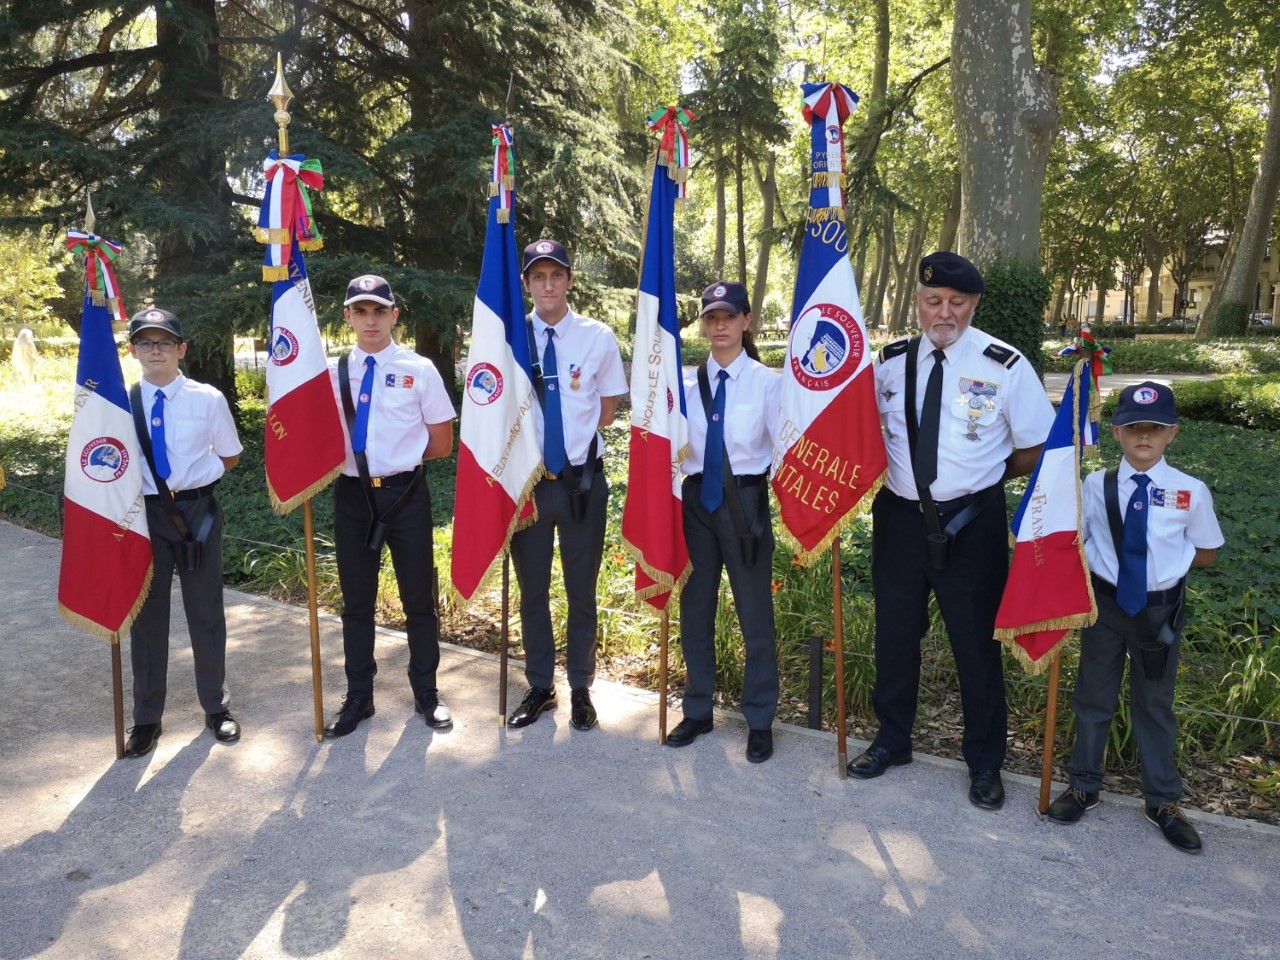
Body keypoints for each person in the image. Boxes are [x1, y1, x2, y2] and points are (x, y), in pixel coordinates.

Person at [849, 251, 1055, 809]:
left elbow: (1036, 446)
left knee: (975, 648)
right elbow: (860, 435)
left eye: (956, 303)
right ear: (918, 302)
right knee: (893, 638)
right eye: (933, 301)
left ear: (974, 304)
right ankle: (893, 740)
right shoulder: (888, 364)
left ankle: (985, 762)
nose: (944, 313)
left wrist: (986, 480)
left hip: (972, 525)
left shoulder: (1004, 366)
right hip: (900, 521)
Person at [1047, 382, 1223, 852]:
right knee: (1093, 696)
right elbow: (1071, 539)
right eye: (1133, 428)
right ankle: (1083, 784)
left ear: (1172, 434)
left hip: (1159, 613)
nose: (1144, 435)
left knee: (1155, 704)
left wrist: (1163, 573)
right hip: (1105, 608)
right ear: (1118, 433)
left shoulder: (1190, 490)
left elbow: (1206, 551)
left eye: (1155, 428)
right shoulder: (1095, 484)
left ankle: (1162, 800)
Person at [323, 274, 457, 738]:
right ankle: (359, 695)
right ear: (347, 318)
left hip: (405, 494)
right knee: (356, 602)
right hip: (352, 495)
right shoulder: (329, 372)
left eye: (379, 310)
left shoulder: (419, 370)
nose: (370, 319)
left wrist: (396, 462)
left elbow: (442, 442)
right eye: (360, 311)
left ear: (394, 315)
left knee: (419, 599)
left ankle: (426, 691)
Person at [506, 239, 628, 731]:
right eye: (539, 276)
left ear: (570, 280)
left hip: (582, 485)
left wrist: (572, 448)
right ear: (527, 284)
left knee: (582, 589)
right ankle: (540, 685)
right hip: (531, 486)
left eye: (556, 274)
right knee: (532, 589)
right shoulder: (510, 339)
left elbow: (608, 409)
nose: (548, 284)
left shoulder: (597, 337)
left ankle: (580, 686)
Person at [666, 281, 780, 763]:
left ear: (746, 320)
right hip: (696, 503)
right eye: (711, 318)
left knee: (755, 613)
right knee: (696, 608)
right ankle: (697, 707)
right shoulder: (686, 383)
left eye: (728, 317)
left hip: (745, 504)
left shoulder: (768, 383)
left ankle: (758, 719)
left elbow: (784, 451)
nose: (719, 326)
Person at [123, 308, 244, 757]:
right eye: (146, 342)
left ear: (181, 349)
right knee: (147, 618)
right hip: (144, 518)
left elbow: (230, 456)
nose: (156, 350)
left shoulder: (207, 399)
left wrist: (196, 484)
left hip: (198, 515)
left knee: (206, 612)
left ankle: (216, 706)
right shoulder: (120, 401)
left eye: (165, 342)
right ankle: (147, 719)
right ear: (134, 350)